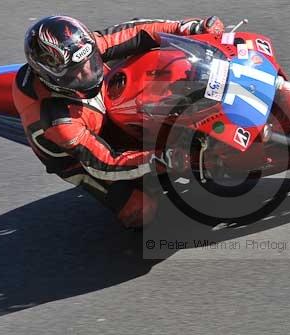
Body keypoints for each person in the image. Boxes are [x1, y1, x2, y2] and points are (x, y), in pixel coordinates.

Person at [12, 15, 225, 228]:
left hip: (96, 110)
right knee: (140, 211)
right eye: (76, 73)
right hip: (83, 161)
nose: (88, 73)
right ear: (52, 78)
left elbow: (136, 31)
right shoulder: (60, 123)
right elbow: (107, 163)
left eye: (91, 62)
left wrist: (187, 28)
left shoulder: (80, 49)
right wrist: (163, 158)